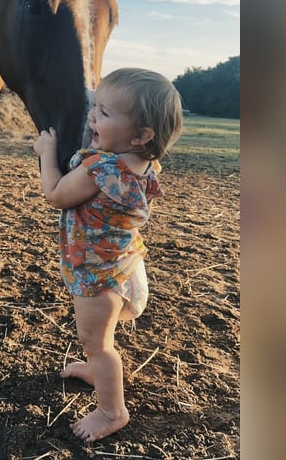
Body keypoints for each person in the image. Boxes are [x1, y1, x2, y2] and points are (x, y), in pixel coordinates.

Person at [33, 68, 183, 442]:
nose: (91, 117)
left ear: (141, 134)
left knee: (98, 343)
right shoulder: (144, 164)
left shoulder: (100, 169)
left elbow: (54, 194)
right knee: (101, 341)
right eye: (95, 108)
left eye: (103, 113)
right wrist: (103, 133)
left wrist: (46, 152)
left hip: (97, 275)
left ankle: (111, 411)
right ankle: (96, 370)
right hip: (124, 264)